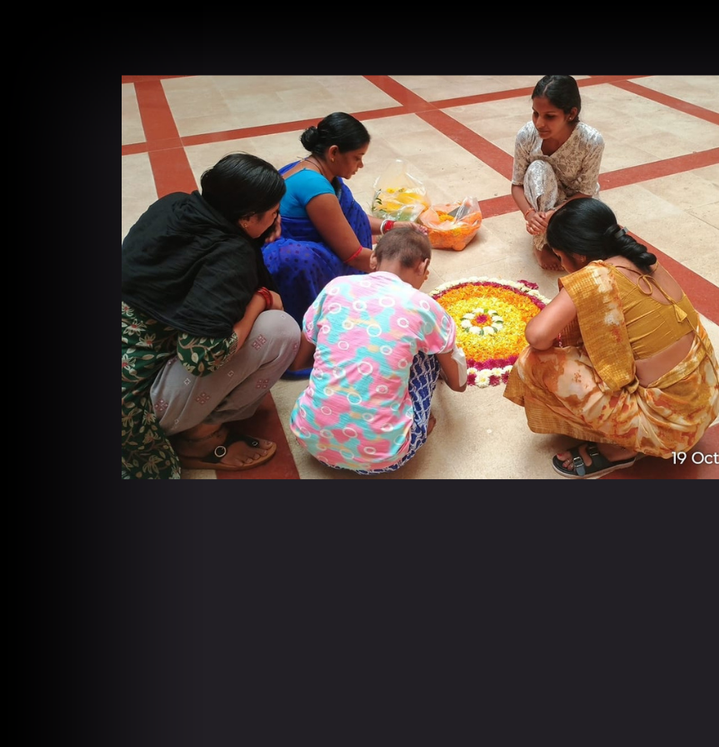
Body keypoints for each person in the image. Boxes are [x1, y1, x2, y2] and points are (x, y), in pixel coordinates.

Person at [503, 198, 719, 478]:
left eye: (559, 257)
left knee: (534, 361)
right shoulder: (640, 258)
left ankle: (621, 448)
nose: (561, 264)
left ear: (578, 255)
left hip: (669, 430)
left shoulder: (595, 277)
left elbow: (537, 336)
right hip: (705, 402)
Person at [121, 152, 300, 478]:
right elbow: (201, 358)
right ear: (247, 219)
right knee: (280, 329)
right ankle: (199, 437)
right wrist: (259, 300)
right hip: (128, 405)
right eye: (274, 212)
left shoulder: (173, 205)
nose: (278, 218)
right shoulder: (231, 255)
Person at [287, 228, 466, 474]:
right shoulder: (423, 306)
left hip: (310, 440)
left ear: (373, 259)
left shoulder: (335, 288)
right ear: (423, 266)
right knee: (429, 349)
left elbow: (298, 362)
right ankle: (418, 428)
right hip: (384, 459)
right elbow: (459, 384)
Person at [262, 112, 389, 338]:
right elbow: (354, 255)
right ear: (333, 152)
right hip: (293, 263)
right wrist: (398, 270)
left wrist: (390, 226)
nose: (361, 165)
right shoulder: (315, 186)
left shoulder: (309, 168)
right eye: (357, 157)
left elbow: (346, 218)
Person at [512, 75, 604, 271]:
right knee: (538, 168)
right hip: (542, 199)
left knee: (590, 249)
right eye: (535, 113)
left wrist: (554, 213)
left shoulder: (591, 140)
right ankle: (542, 245)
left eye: (550, 116)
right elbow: (517, 185)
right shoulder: (527, 135)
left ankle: (557, 235)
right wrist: (531, 215)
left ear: (571, 114)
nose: (539, 123)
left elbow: (586, 191)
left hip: (576, 202)